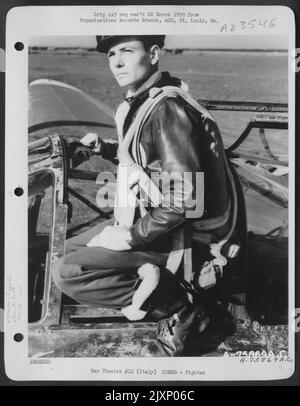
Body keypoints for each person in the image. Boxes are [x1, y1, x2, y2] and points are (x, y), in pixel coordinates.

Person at [52, 35, 237, 357]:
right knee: (62, 251)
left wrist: (133, 237)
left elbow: (186, 196)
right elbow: (154, 161)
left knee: (68, 272)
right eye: (111, 54)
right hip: (153, 221)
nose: (118, 63)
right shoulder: (145, 101)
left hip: (179, 237)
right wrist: (107, 148)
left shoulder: (166, 108)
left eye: (127, 51)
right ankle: (149, 279)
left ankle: (185, 310)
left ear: (153, 54)